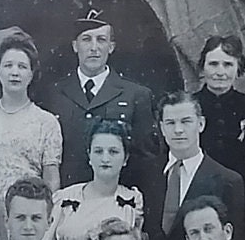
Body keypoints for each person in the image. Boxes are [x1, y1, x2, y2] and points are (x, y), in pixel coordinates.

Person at [40, 11, 160, 174]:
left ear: (111, 47)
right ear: (75, 46)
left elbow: (147, 161)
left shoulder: (137, 95)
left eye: (101, 40)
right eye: (86, 39)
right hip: (67, 194)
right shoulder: (53, 94)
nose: (94, 48)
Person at [144, 91, 245, 240]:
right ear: (161, 128)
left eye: (186, 122)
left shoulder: (228, 181)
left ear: (201, 124)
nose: (178, 130)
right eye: (170, 123)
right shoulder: (147, 173)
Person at [0, 30, 62, 205]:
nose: (15, 72)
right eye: (8, 65)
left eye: (22, 67)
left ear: (31, 74)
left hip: (27, 215)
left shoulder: (46, 123)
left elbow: (51, 180)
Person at [193, 35, 245, 233]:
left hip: (243, 198)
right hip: (199, 193)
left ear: (238, 68)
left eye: (228, 65)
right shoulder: (190, 104)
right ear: (203, 67)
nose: (220, 72)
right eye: (213, 64)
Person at [49, 124, 147, 240]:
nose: (105, 158)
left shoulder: (133, 201)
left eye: (113, 152)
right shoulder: (65, 197)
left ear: (125, 158)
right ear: (89, 156)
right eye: (98, 151)